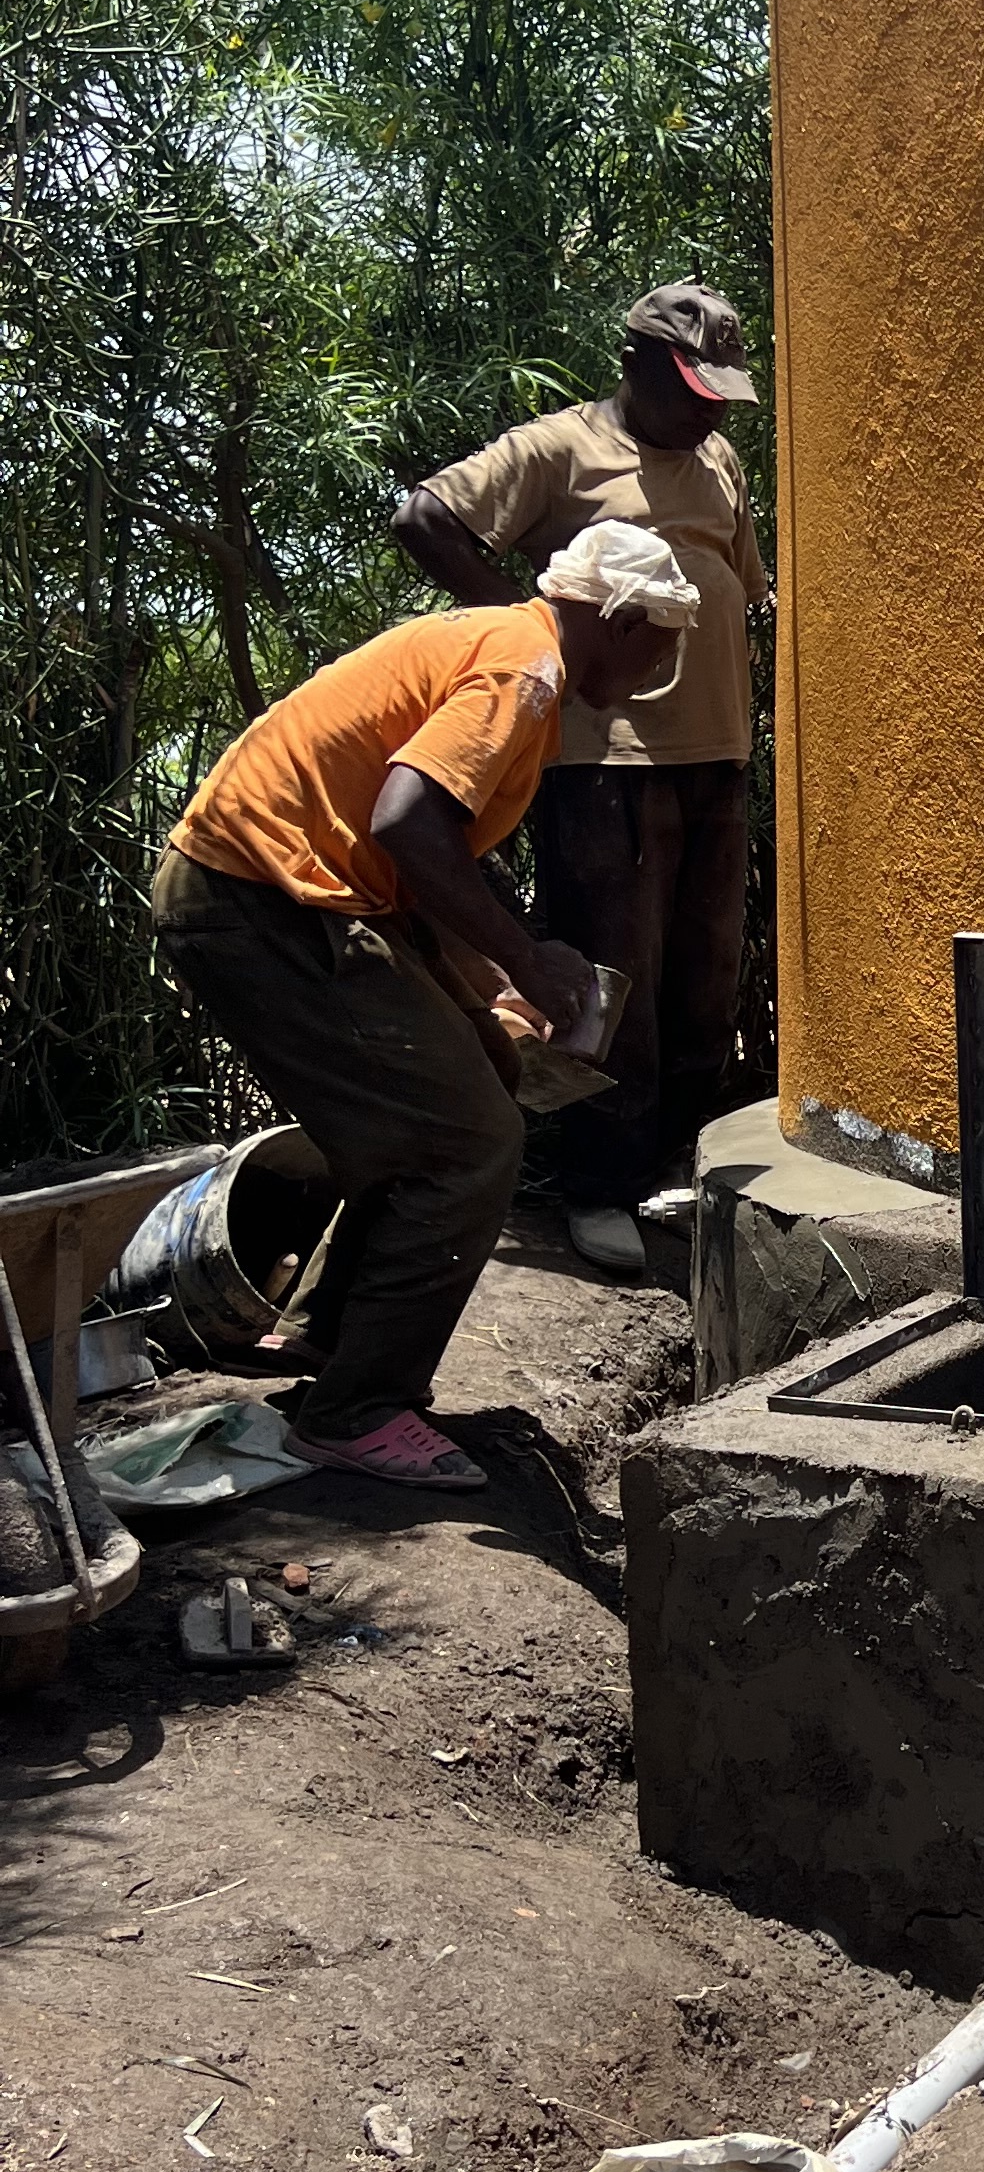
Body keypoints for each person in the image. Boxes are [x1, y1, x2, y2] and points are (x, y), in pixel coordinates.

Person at [151, 531, 703, 1493]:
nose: (664, 664)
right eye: (662, 642)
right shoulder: (525, 667)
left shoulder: (507, 650)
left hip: (281, 893)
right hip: (259, 897)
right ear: (618, 621)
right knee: (469, 1140)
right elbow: (406, 819)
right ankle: (359, 1409)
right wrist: (524, 956)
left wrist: (490, 989)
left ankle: (332, 1341)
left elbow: (412, 857)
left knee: (474, 1084)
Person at [394, 280, 773, 1274]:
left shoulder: (720, 460)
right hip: (607, 762)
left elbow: (747, 588)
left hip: (716, 755)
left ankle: (681, 1179)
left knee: (702, 983)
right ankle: (598, 1187)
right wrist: (530, 633)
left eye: (718, 395)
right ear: (638, 364)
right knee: (615, 983)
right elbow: (426, 516)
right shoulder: (560, 449)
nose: (705, 411)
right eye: (691, 389)